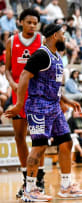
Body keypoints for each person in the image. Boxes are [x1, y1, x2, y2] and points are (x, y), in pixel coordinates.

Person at [5, 23, 82, 201]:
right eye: (63, 34)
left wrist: (66, 100)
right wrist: (19, 104)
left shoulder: (57, 56)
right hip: (38, 106)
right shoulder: (41, 55)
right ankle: (29, 189)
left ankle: (66, 186)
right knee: (39, 147)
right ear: (54, 36)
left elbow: (54, 84)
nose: (65, 38)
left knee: (66, 142)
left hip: (54, 106)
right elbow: (24, 77)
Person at [4, 9, 46, 198]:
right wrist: (12, 84)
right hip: (18, 95)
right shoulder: (11, 42)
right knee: (19, 137)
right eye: (28, 22)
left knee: (39, 139)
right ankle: (25, 177)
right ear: (20, 22)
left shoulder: (42, 41)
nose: (32, 26)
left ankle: (39, 179)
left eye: (35, 23)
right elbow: (7, 70)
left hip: (37, 95)